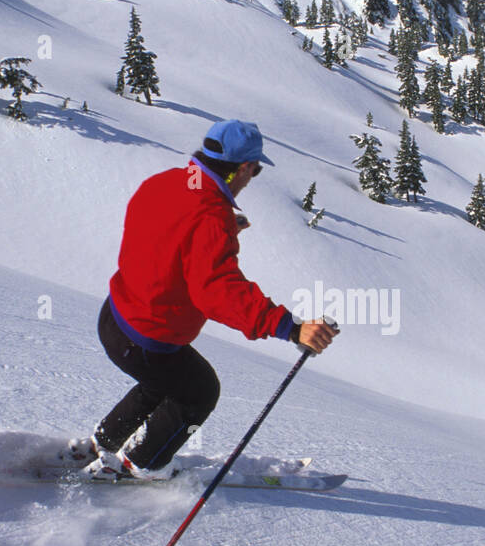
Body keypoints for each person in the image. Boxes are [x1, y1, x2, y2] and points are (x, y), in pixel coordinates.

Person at [80, 119, 338, 479]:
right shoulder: (211, 216)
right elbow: (217, 291)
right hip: (148, 337)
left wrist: (218, 231)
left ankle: (102, 444)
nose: (252, 178)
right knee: (199, 391)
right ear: (244, 167)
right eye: (256, 170)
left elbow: (167, 233)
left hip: (116, 316)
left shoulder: (166, 181)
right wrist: (289, 328)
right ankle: (139, 466)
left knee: (164, 382)